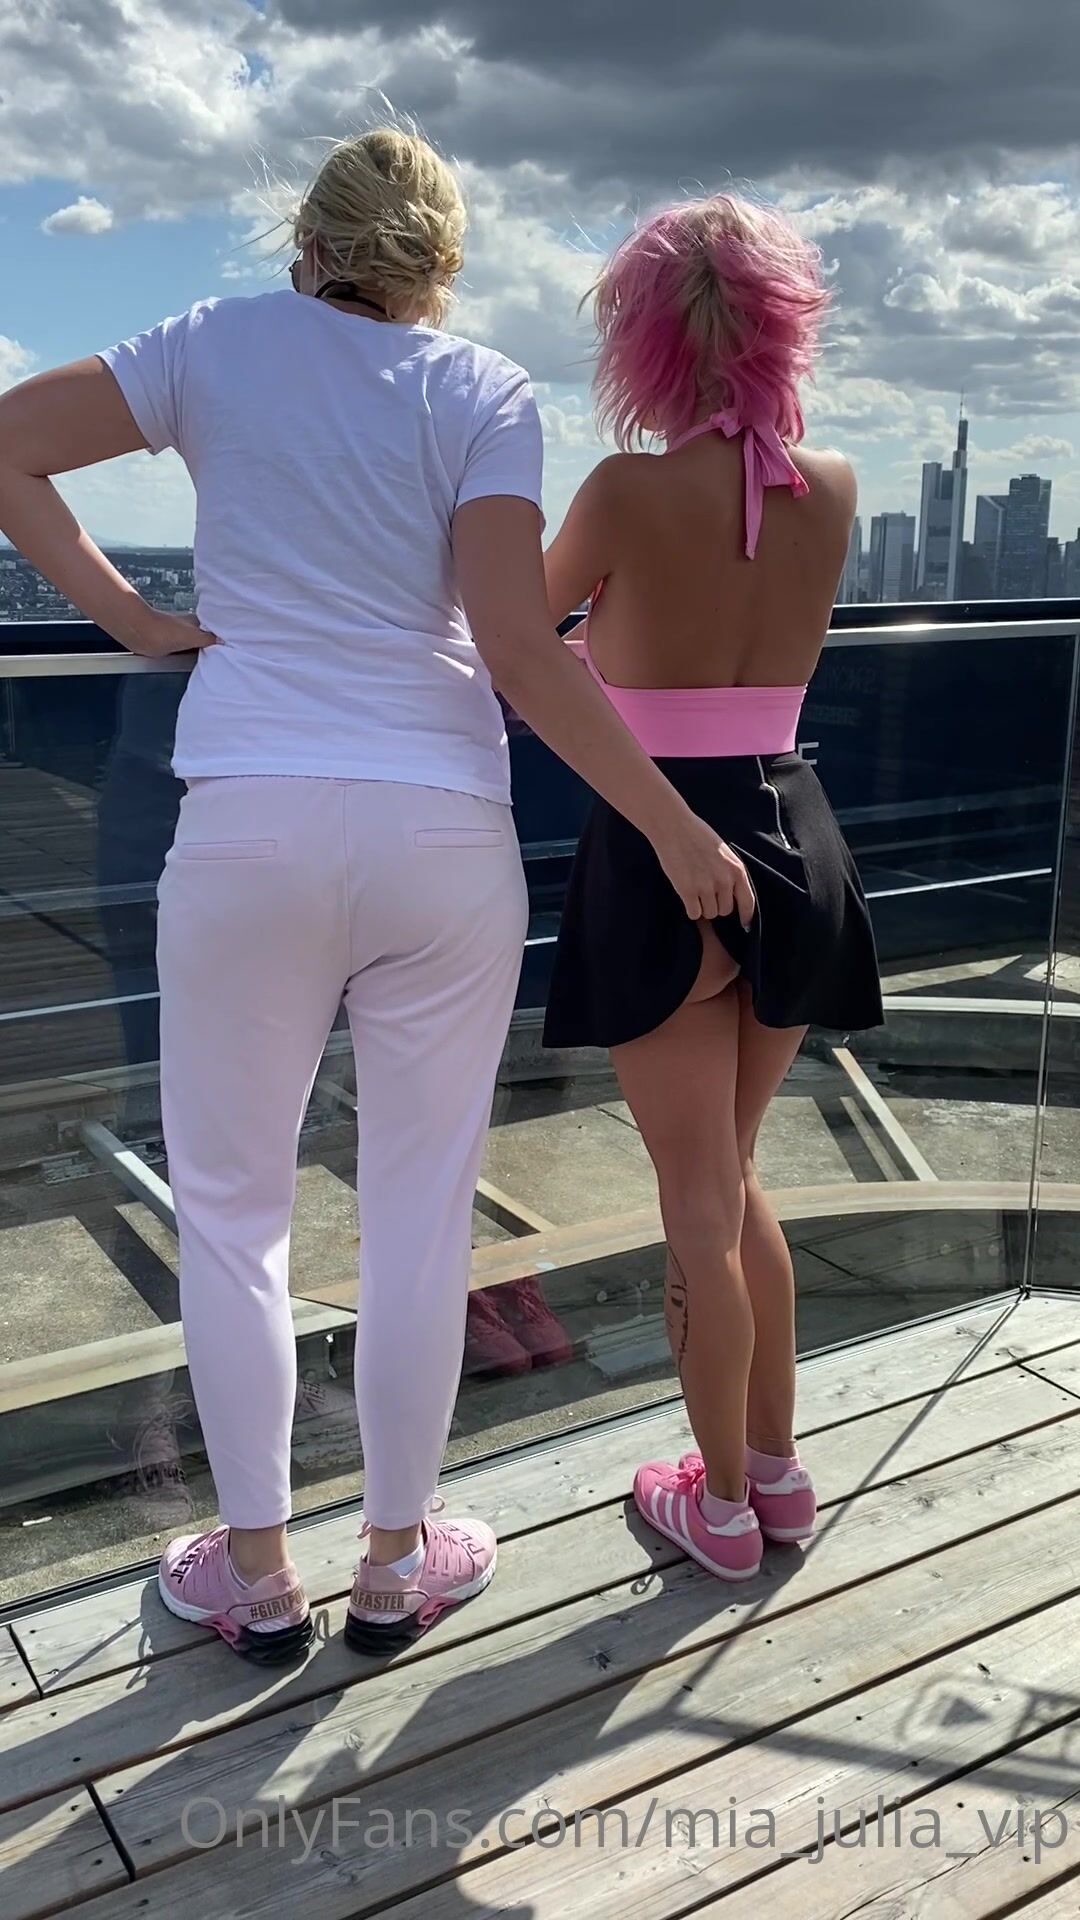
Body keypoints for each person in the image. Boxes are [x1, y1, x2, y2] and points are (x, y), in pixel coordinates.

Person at [0, 126, 755, 1660]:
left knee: (233, 1214)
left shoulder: (208, 343)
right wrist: (676, 826)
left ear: (311, 241)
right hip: (441, 835)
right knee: (420, 1213)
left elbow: (8, 446)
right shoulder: (481, 389)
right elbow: (519, 647)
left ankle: (258, 1575)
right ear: (441, 262)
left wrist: (135, 619)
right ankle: (400, 1564)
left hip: (251, 827)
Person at [543, 194, 883, 1583]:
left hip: (663, 842)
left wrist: (591, 652)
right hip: (798, 828)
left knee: (694, 1192)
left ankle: (721, 1510)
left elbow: (519, 635)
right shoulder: (835, 485)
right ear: (785, 328)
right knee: (738, 1178)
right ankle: (779, 1477)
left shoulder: (624, 492)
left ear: (642, 343)